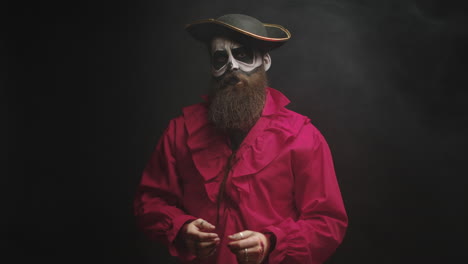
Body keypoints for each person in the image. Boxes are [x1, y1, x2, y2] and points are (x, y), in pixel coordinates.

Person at [134, 14, 348, 264]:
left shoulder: (302, 137)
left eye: (243, 55)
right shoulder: (180, 131)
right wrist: (182, 228)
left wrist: (271, 242)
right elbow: (150, 201)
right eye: (221, 58)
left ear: (265, 61)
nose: (232, 67)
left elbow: (327, 222)